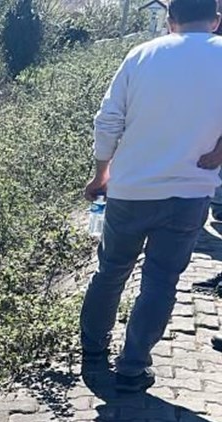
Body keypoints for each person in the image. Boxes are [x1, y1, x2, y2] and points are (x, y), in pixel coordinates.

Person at [80, 0, 222, 392]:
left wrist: (101, 173)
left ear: (169, 21)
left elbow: (108, 119)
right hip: (190, 192)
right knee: (160, 282)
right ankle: (133, 365)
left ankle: (93, 353)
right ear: (216, 20)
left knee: (110, 272)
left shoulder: (142, 54)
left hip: (131, 190)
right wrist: (218, 152)